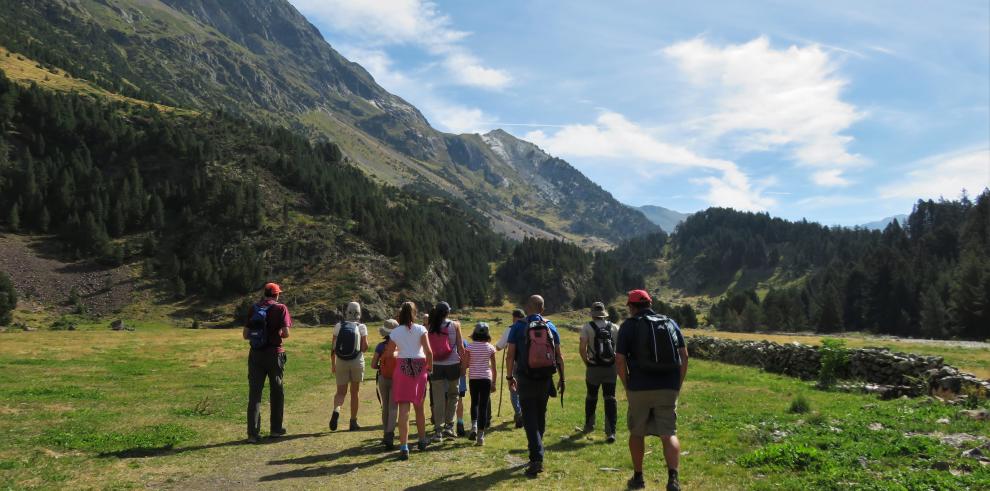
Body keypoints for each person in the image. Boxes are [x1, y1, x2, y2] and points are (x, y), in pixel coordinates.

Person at [615, 290, 688, 491]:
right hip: (668, 386)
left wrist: (627, 384)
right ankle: (673, 479)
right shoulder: (670, 323)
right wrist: (677, 385)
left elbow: (619, 359)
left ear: (631, 306)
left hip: (639, 386)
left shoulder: (628, 326)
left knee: (637, 432)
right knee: (669, 433)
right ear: (650, 303)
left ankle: (638, 478)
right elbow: (684, 356)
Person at [505, 295, 565, 478]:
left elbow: (510, 355)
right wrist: (563, 378)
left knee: (529, 418)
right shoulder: (550, 326)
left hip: (525, 378)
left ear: (527, 307)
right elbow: (558, 356)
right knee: (540, 415)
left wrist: (509, 377)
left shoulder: (517, 327)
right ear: (542, 309)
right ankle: (538, 447)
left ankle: (536, 457)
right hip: (545, 379)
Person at [243, 282, 292, 443]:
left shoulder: (254, 308)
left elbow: (245, 334)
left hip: (256, 354)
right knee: (276, 391)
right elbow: (286, 334)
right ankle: (276, 430)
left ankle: (252, 433)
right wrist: (276, 331)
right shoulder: (280, 308)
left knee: (255, 394)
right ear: (277, 294)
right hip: (274, 354)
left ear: (265, 293)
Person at [390, 302, 434, 460]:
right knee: (419, 407)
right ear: (415, 313)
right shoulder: (421, 329)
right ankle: (422, 440)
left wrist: (398, 352)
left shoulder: (395, 332)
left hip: (402, 369)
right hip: (420, 368)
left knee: (403, 409)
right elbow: (428, 352)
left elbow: (389, 353)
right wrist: (429, 369)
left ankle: (404, 446)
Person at [579, 301, 619, 443]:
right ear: (604, 313)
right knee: (610, 398)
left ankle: (589, 426)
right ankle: (611, 432)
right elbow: (619, 349)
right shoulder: (614, 327)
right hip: (611, 368)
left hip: (594, 367)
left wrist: (588, 363)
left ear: (593, 314)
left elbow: (582, 348)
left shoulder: (587, 327)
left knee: (591, 396)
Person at [426, 301, 465, 442]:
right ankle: (449, 426)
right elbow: (460, 347)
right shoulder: (455, 325)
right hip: (453, 363)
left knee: (437, 397)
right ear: (448, 312)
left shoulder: (429, 326)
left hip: (435, 364)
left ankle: (438, 430)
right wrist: (464, 365)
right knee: (453, 394)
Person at [330, 302, 369, 431]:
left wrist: (333, 364)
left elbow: (333, 348)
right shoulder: (362, 327)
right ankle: (353, 421)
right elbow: (364, 347)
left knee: (340, 392)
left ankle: (337, 410)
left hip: (341, 361)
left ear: (347, 312)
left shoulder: (338, 326)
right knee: (354, 392)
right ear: (359, 313)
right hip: (357, 361)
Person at [463, 322, 497, 445]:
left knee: (474, 403)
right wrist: (494, 382)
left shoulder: (470, 347)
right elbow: (494, 368)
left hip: (474, 378)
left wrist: (462, 374)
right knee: (483, 406)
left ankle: (474, 427)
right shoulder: (490, 347)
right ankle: (481, 437)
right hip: (486, 379)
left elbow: (466, 365)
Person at [371, 319, 400, 449]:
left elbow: (373, 365)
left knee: (385, 406)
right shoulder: (401, 345)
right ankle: (390, 434)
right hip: (397, 379)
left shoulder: (380, 346)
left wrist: (381, 367)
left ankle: (385, 434)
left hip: (383, 378)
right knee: (393, 407)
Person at [495, 308, 525, 428]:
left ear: (514, 317)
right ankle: (525, 413)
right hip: (528, 363)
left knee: (513, 389)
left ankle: (518, 414)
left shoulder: (510, 329)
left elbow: (499, 346)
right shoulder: (529, 327)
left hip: (514, 362)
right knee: (525, 389)